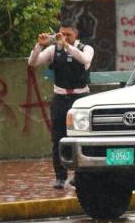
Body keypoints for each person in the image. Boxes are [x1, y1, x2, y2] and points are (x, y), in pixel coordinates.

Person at [28, 19, 94, 189]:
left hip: (80, 99)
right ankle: (60, 176)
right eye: (61, 34)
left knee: (82, 138)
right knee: (58, 138)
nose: (64, 38)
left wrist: (67, 46)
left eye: (68, 35)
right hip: (60, 98)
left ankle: (80, 176)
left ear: (75, 34)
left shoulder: (85, 48)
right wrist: (39, 46)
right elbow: (32, 62)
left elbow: (84, 60)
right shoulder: (53, 50)